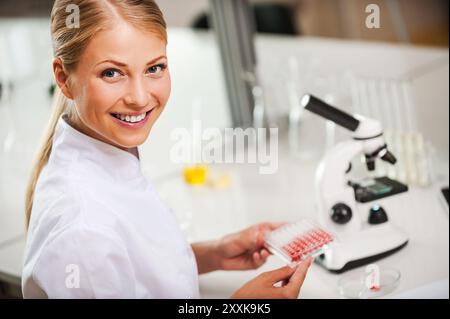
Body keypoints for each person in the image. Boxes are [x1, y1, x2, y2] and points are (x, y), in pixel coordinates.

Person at [22, 0, 311, 299]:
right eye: (111, 73)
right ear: (63, 78)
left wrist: (213, 254)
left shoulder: (108, 151)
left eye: (154, 68)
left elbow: (129, 273)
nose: (139, 96)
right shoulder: (83, 232)